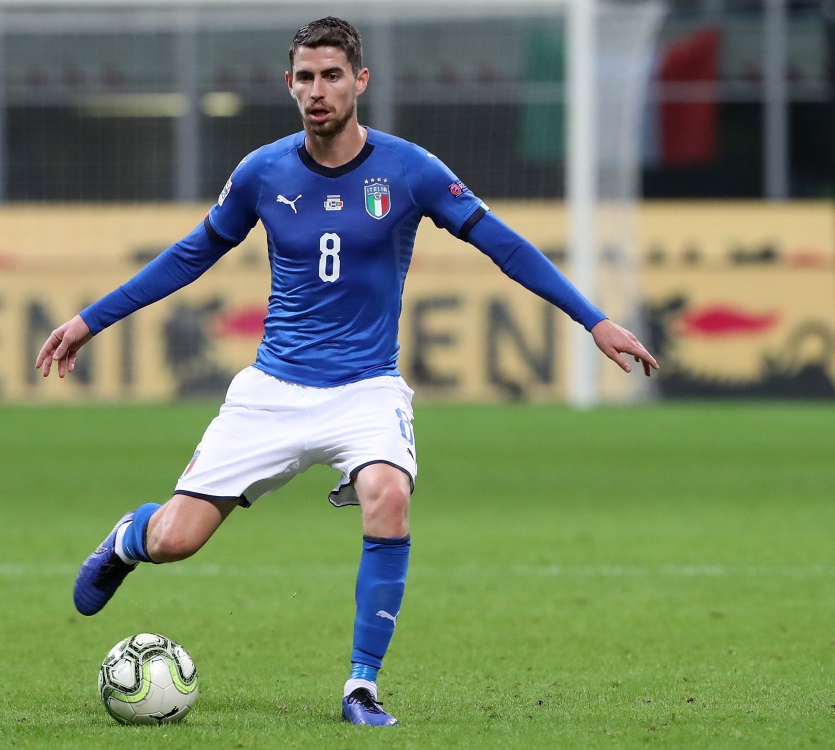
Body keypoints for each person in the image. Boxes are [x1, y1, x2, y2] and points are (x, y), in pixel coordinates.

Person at [35, 16, 658, 727]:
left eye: (332, 75)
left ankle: (360, 686)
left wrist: (594, 320)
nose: (318, 90)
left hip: (365, 387)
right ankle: (127, 539)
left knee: (388, 494)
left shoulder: (410, 170)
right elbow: (188, 256)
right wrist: (89, 319)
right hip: (273, 390)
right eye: (305, 77)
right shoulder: (262, 172)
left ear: (361, 81)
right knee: (177, 540)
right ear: (289, 85)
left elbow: (505, 245)